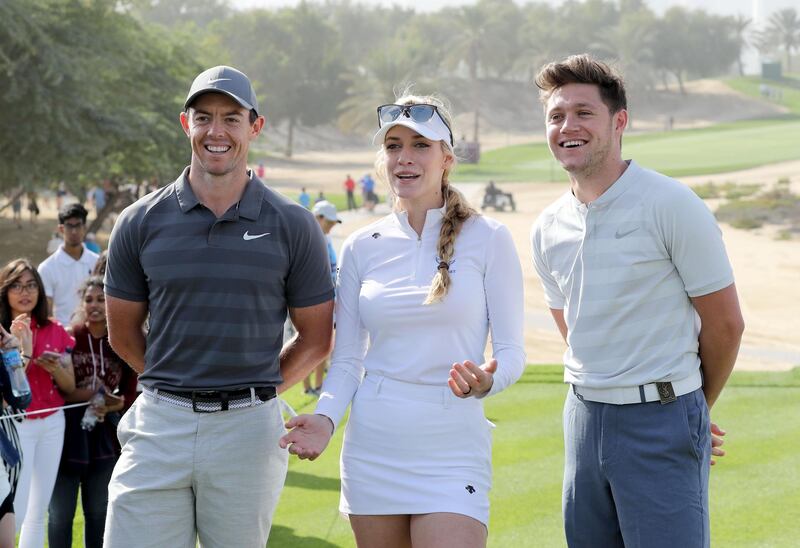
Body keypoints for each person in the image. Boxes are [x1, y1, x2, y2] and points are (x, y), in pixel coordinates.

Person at [102, 65, 334, 547]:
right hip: (159, 423)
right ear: (186, 124)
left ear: (255, 126)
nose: (217, 131)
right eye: (204, 117)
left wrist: (258, 389)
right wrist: (178, 383)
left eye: (232, 118)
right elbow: (122, 334)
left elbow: (317, 337)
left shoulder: (293, 224)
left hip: (247, 432)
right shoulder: (138, 221)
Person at [281, 94, 525, 547]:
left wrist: (488, 382)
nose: (404, 158)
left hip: (453, 447)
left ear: (446, 158)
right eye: (393, 146)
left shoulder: (489, 238)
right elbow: (349, 359)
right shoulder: (361, 245)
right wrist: (327, 418)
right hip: (375, 448)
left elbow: (511, 353)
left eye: (420, 145)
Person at [529, 55, 744, 548]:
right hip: (582, 419)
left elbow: (726, 325)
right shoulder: (547, 227)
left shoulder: (670, 204)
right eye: (556, 116)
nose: (568, 127)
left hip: (662, 418)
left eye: (584, 112)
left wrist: (689, 413)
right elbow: (574, 330)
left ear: (619, 120)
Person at [48, 277, 138, 548]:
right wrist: (93, 395)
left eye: (101, 299)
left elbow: (131, 392)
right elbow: (59, 390)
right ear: (81, 304)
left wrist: (117, 403)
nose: (95, 305)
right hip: (66, 435)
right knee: (60, 513)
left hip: (106, 435)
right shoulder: (70, 336)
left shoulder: (120, 342)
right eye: (89, 300)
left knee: (99, 512)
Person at [0, 259, 75, 548]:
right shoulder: (3, 332)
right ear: (5, 291)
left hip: (54, 421)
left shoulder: (55, 328)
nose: (25, 292)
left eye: (31, 285)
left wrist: (56, 368)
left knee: (38, 509)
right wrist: (23, 352)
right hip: (17, 426)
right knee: (12, 505)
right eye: (16, 285)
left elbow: (68, 387)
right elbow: (15, 392)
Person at [303, 200, 342, 396]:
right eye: (329, 221)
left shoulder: (325, 238)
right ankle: (314, 387)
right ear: (318, 218)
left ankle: (314, 386)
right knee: (318, 346)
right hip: (316, 303)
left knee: (323, 346)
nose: (332, 225)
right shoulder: (311, 239)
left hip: (329, 302)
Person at [38, 203, 99, 327]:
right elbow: (47, 311)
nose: (74, 231)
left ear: (84, 227)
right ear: (61, 229)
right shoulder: (47, 267)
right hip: (63, 334)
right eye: (69, 226)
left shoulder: (97, 262)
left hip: (94, 333)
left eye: (78, 225)